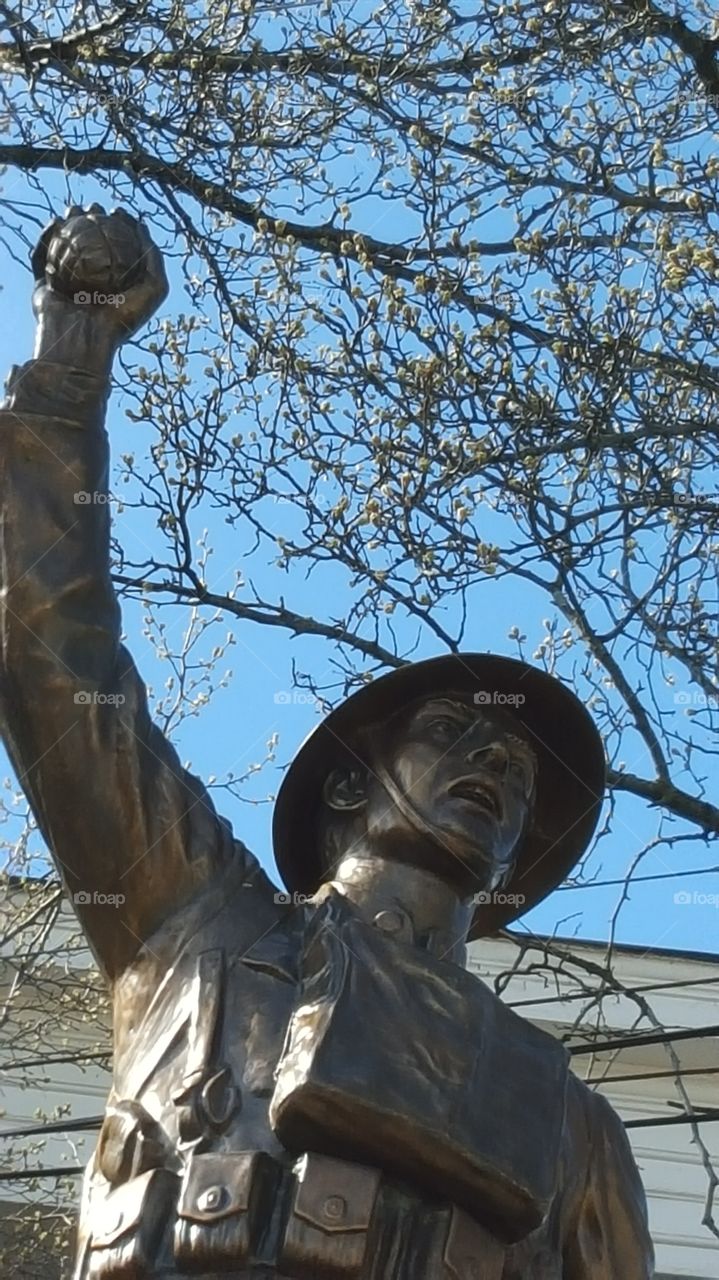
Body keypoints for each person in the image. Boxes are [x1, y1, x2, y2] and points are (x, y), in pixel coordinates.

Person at [0, 206, 654, 1279]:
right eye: (452, 733)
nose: (491, 764)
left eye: (519, 771)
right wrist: (71, 362)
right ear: (351, 781)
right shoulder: (189, 924)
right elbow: (50, 659)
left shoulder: (572, 1130)